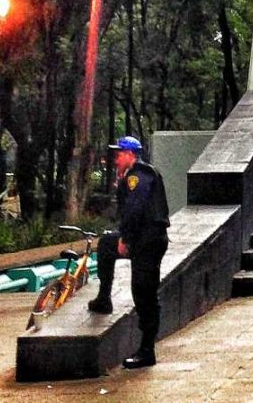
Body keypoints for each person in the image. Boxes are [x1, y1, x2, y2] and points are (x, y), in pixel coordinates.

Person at [87, 136, 170, 369]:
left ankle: (147, 350)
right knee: (105, 246)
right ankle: (104, 298)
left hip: (149, 241)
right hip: (142, 237)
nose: (116, 159)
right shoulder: (130, 176)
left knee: (144, 292)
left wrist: (125, 238)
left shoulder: (138, 176)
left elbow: (135, 209)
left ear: (131, 155)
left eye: (120, 154)